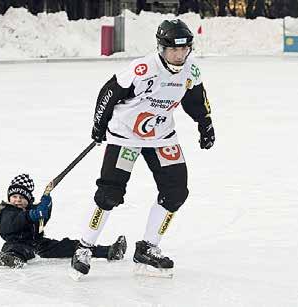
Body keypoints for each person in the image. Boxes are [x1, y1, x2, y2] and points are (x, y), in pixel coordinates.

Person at [71, 19, 215, 277]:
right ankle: (84, 247)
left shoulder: (191, 71)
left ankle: (148, 247)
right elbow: (109, 93)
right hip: (126, 135)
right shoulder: (142, 69)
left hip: (162, 136)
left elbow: (196, 99)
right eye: (174, 50)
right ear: (161, 48)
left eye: (185, 50)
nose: (180, 55)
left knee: (176, 192)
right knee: (109, 194)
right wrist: (98, 125)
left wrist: (205, 124)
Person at [0, 174, 127, 268]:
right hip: (17, 244)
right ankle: (11, 259)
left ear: (29, 199)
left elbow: (41, 219)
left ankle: (109, 251)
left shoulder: (32, 209)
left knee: (70, 245)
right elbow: (10, 224)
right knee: (17, 249)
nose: (18, 200)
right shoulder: (6, 211)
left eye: (22, 197)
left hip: (38, 243)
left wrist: (46, 204)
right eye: (14, 196)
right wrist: (31, 215)